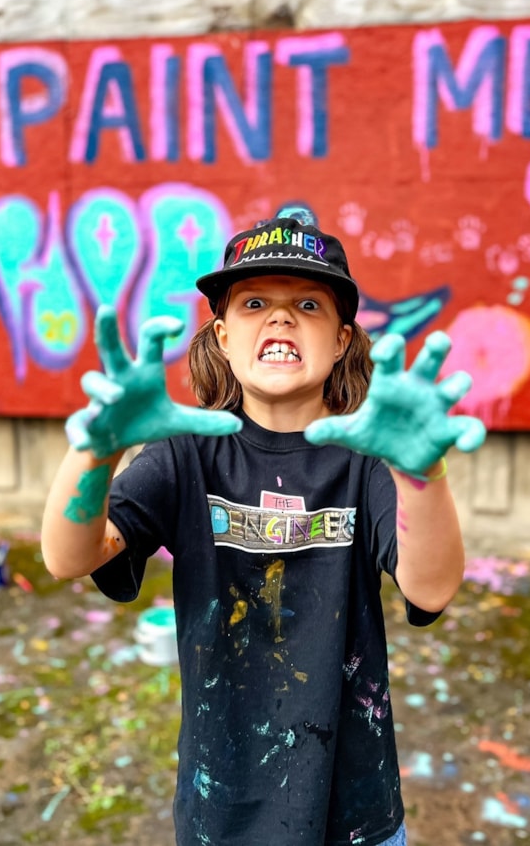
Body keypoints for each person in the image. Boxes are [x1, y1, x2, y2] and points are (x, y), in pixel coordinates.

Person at [41, 207, 485, 846]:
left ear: (340, 340)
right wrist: (96, 450)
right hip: (219, 813)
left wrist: (422, 474)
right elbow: (67, 556)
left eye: (308, 304)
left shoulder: (368, 463)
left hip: (355, 816)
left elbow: (432, 588)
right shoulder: (183, 455)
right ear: (222, 336)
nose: (280, 318)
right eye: (254, 303)